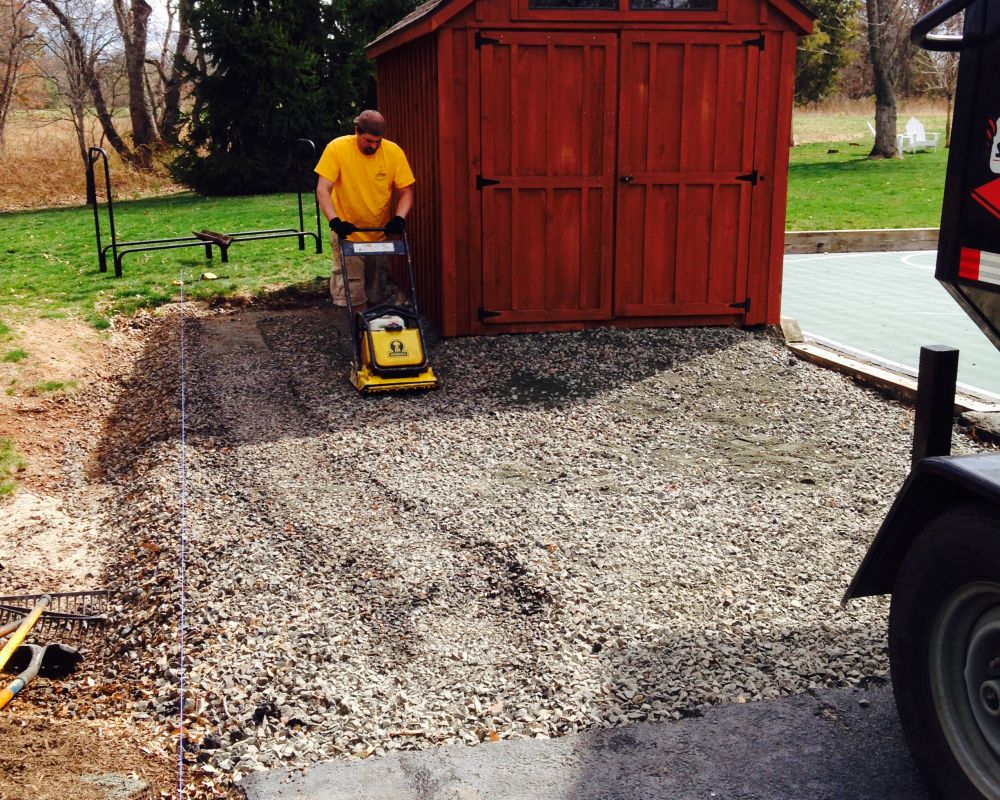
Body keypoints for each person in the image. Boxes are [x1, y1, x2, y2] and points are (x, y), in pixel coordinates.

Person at [315, 110, 416, 314]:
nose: (374, 146)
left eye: (378, 142)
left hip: (378, 234)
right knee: (353, 293)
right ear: (356, 131)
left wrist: (399, 218)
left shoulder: (393, 152)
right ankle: (361, 330)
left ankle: (371, 327)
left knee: (375, 292)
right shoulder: (337, 148)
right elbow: (322, 189)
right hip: (347, 234)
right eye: (369, 141)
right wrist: (335, 221)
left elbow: (406, 192)